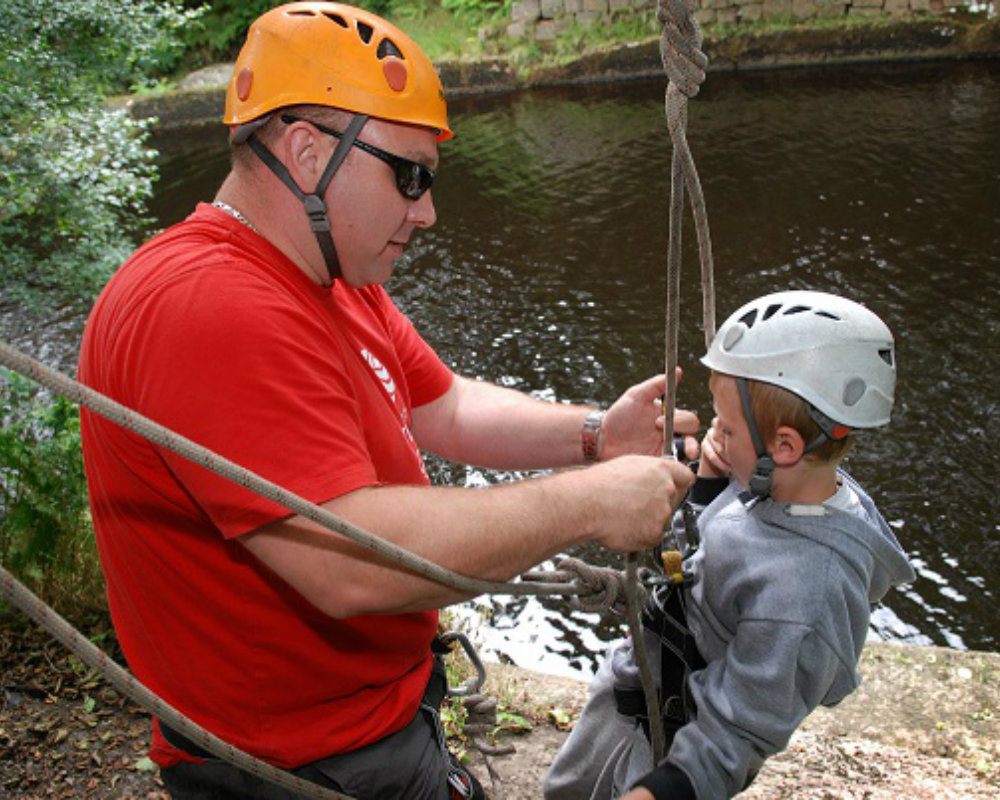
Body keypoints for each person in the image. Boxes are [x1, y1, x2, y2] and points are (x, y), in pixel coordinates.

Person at [77, 3, 699, 799]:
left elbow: (442, 407)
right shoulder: (210, 308)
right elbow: (355, 562)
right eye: (408, 175)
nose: (427, 208)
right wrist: (587, 504)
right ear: (306, 153)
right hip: (296, 765)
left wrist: (594, 438)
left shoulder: (327, 273)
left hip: (368, 722)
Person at [544, 289, 916, 800]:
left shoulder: (807, 596)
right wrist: (710, 482)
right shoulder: (780, 484)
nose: (714, 432)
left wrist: (663, 790)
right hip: (635, 686)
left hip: (661, 742)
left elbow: (740, 730)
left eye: (728, 427)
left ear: (783, 446)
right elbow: (702, 552)